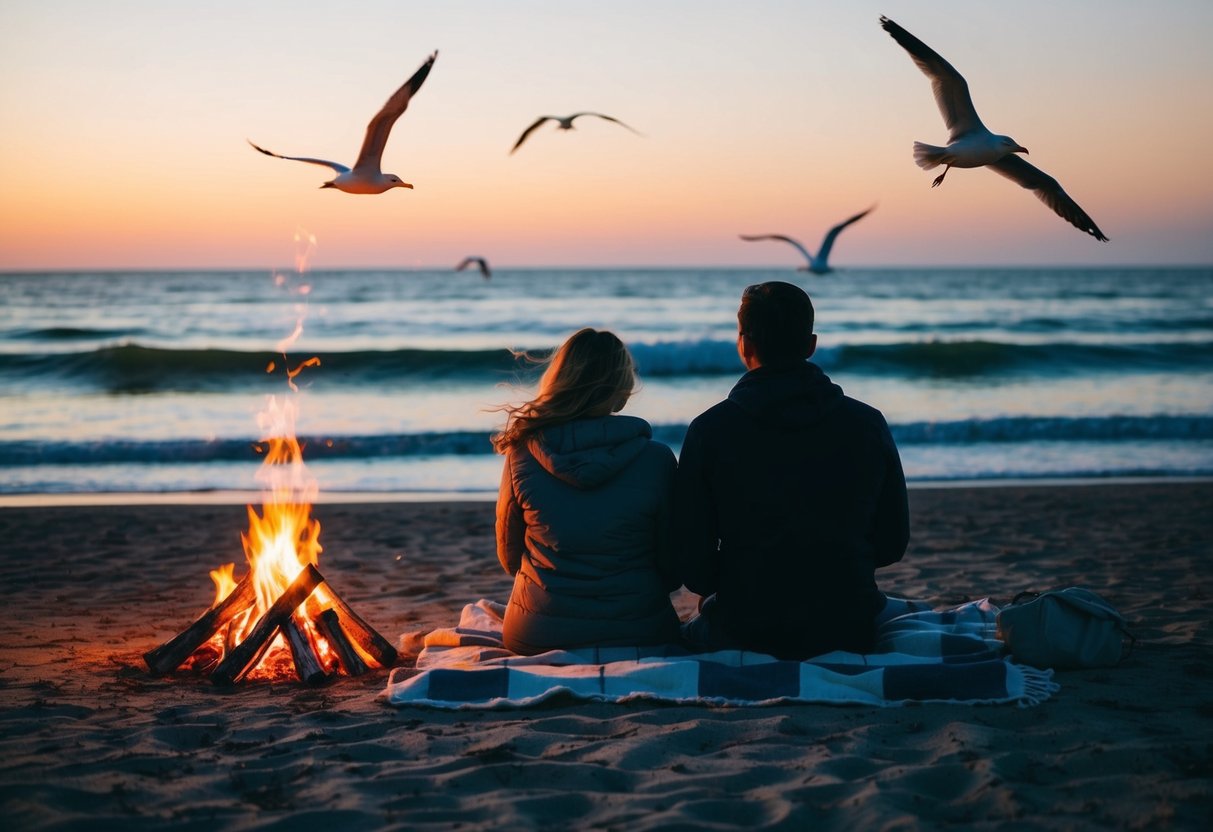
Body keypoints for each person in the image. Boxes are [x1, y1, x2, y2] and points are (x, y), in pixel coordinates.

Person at [674, 281, 909, 659]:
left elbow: (695, 567)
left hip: (745, 626)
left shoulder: (710, 430)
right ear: (811, 345)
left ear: (744, 344)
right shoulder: (867, 423)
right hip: (847, 626)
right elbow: (891, 543)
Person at [493, 327, 681, 655]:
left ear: (558, 381)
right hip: (641, 631)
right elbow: (672, 567)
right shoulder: (657, 459)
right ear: (622, 390)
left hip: (537, 636)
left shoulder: (522, 455)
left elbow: (510, 559)